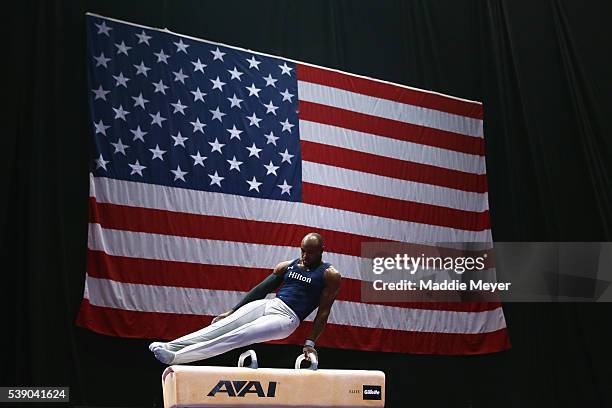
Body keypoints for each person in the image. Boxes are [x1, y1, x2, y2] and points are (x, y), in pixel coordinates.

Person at [149, 232, 341, 365]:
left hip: (286, 319)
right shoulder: (288, 265)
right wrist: (232, 311)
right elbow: (260, 290)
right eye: (302, 250)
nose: (305, 256)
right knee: (221, 326)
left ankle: (176, 357)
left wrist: (310, 343)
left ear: (322, 250)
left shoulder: (329, 275)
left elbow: (323, 312)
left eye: (310, 252)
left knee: (238, 335)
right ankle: (170, 346)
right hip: (269, 304)